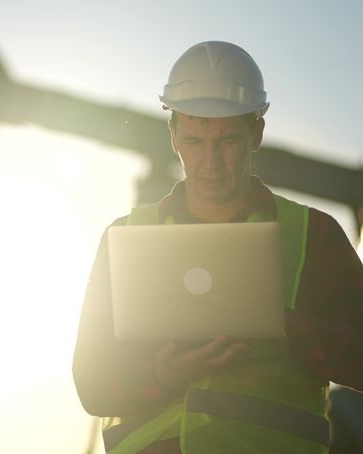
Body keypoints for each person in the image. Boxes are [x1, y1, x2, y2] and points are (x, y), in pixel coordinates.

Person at [72, 41, 363, 453]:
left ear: (256, 134)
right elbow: (91, 384)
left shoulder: (313, 234)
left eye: (226, 142)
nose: (210, 161)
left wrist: (284, 328)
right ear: (172, 136)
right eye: (195, 142)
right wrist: (162, 375)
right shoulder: (125, 239)